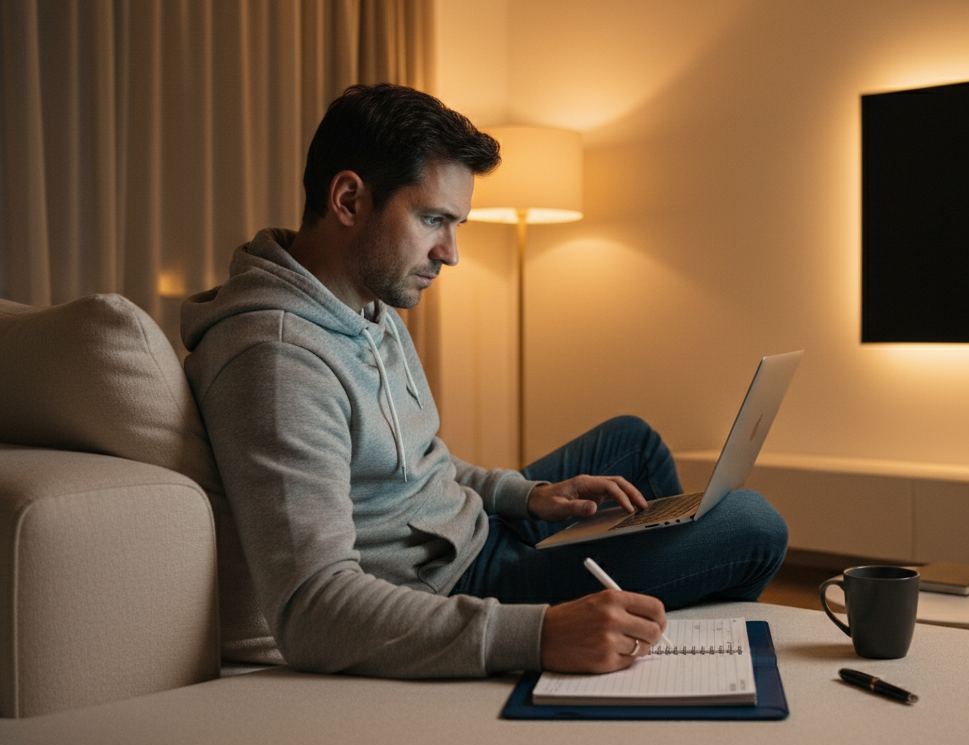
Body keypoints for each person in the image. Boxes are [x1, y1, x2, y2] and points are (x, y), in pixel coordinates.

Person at [181, 83, 788, 679]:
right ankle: (651, 633)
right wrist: (538, 634)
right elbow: (311, 608)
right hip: (458, 582)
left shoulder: (364, 303)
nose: (450, 253)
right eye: (432, 219)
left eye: (456, 224)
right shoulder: (278, 363)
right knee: (754, 526)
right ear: (348, 200)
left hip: (472, 525)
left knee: (635, 443)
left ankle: (647, 623)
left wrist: (524, 495)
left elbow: (424, 463)